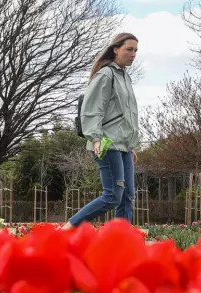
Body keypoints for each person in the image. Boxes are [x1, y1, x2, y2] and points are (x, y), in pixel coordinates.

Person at [61, 33, 140, 230]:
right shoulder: (106, 75)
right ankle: (68, 229)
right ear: (115, 49)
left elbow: (125, 114)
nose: (133, 54)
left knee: (127, 195)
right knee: (113, 195)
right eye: (129, 49)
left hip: (123, 146)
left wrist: (130, 146)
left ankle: (121, 242)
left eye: (135, 50)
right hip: (106, 143)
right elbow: (91, 110)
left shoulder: (125, 76)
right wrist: (95, 139)